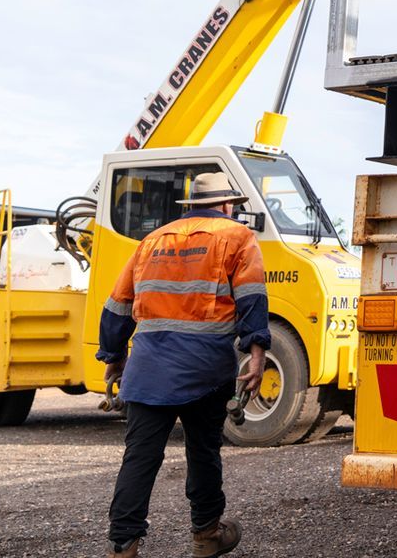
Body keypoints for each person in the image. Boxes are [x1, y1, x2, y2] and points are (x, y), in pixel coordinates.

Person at [97, 172, 271, 557]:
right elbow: (252, 300)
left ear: (191, 205)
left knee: (140, 457)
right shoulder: (238, 238)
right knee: (203, 452)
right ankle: (207, 535)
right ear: (228, 205)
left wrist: (114, 356)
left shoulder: (151, 241)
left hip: (147, 370)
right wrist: (257, 356)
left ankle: (123, 546)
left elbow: (117, 304)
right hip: (204, 369)